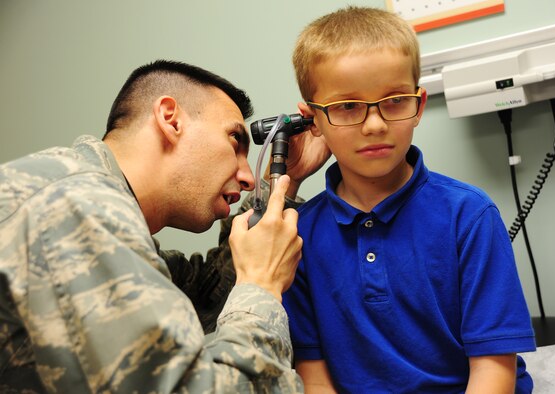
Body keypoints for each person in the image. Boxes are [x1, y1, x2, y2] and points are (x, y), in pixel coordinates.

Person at [0, 59, 327, 393]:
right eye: (233, 140)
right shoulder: (76, 206)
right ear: (171, 119)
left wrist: (283, 182)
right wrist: (262, 286)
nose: (247, 177)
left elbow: (204, 298)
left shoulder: (77, 195)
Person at [281, 7, 537, 393]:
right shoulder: (297, 235)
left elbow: (493, 371)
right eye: (347, 107)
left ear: (418, 104)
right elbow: (313, 374)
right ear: (312, 120)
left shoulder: (468, 216)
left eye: (395, 100)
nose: (374, 125)